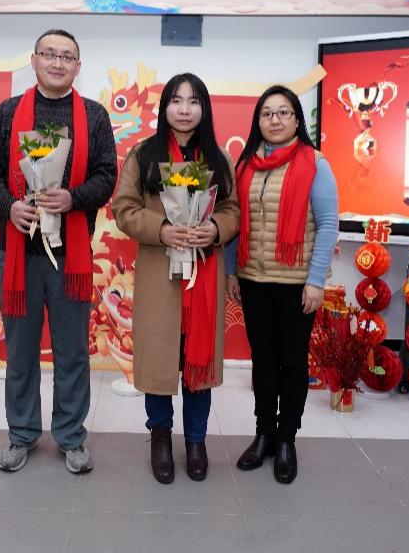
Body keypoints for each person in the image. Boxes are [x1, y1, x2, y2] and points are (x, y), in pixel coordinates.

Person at [0, 29, 117, 475]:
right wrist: (9, 206)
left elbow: (107, 175)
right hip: (20, 255)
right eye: (49, 54)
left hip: (71, 258)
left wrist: (74, 198)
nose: (58, 62)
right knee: (20, 352)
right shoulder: (9, 112)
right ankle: (22, 434)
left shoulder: (93, 116)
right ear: (34, 60)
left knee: (72, 352)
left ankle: (71, 437)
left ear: (78, 66)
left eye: (67, 57)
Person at [112, 74, 240, 484]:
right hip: (159, 276)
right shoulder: (143, 155)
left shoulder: (218, 158)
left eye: (194, 101)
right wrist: (162, 229)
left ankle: (197, 440)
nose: (185, 109)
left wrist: (215, 228)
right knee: (159, 358)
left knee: (197, 360)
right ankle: (161, 437)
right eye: (176, 100)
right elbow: (123, 209)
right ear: (164, 106)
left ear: (204, 109)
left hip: (204, 275)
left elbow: (233, 211)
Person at [225, 85, 339, 484]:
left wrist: (315, 281)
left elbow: (328, 225)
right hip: (253, 280)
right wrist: (231, 272)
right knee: (263, 361)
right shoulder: (246, 165)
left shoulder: (315, 163)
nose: (274, 120)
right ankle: (264, 435)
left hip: (296, 284)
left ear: (296, 119)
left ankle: (287, 438)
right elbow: (234, 222)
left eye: (283, 112)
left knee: (292, 363)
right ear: (258, 120)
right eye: (267, 113)